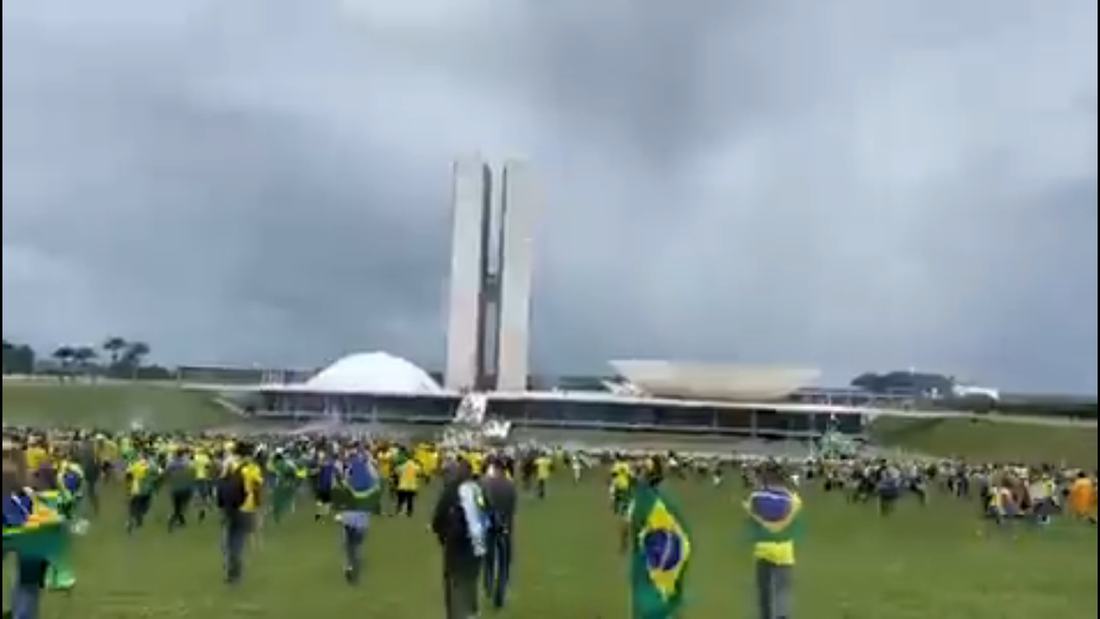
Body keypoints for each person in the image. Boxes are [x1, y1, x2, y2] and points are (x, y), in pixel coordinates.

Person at [744, 462, 802, 619]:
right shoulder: (793, 499)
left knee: (765, 593)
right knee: (782, 592)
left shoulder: (755, 497)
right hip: (784, 551)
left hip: (763, 549)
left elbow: (752, 520)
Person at [432, 459, 487, 619]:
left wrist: (443, 537)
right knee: (470, 582)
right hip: (474, 547)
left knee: (454, 587)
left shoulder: (450, 491)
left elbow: (437, 521)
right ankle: (471, 613)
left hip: (455, 548)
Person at [219, 442, 264, 584]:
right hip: (247, 507)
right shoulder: (253, 468)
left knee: (230, 541)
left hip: (231, 507)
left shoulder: (230, 464)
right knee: (238, 541)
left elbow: (222, 483)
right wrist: (258, 507)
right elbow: (257, 488)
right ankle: (235, 573)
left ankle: (232, 572)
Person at [480, 459, 517, 610]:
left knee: (488, 560)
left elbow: (481, 504)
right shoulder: (511, 486)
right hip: (505, 528)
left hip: (489, 528)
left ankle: (488, 586)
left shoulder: (485, 483)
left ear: (494, 469)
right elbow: (513, 509)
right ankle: (499, 596)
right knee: (504, 564)